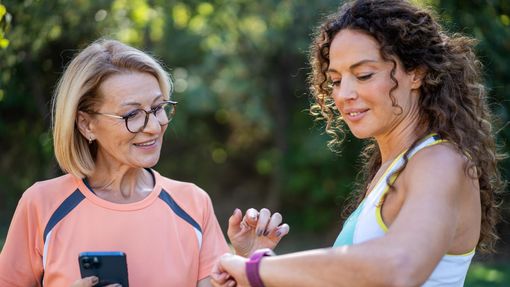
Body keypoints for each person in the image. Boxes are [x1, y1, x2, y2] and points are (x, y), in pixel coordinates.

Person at [211, 0, 505, 286]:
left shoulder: (439, 162)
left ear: (416, 73)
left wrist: (258, 269)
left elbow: (399, 266)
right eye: (336, 80)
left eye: (363, 75)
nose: (344, 94)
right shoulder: (391, 169)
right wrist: (256, 261)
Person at [0, 39, 289, 287]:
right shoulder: (42, 204)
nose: (155, 126)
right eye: (133, 115)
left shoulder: (192, 203)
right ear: (86, 124)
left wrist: (246, 263)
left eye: (158, 108)